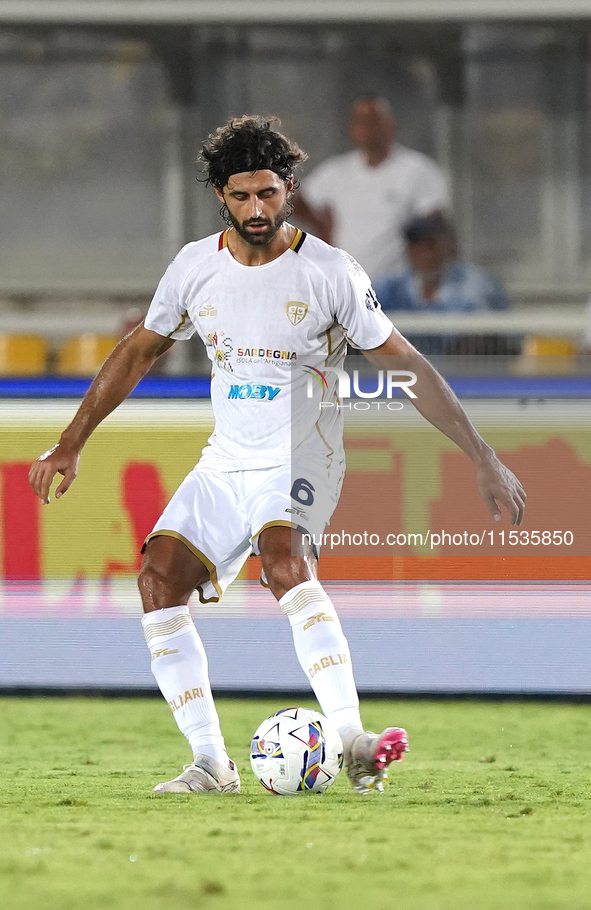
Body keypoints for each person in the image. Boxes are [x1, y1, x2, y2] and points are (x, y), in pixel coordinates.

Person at [29, 116, 526, 797]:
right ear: (220, 196)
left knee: (284, 564)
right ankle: (211, 762)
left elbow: (405, 365)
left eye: (268, 194)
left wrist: (481, 454)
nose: (256, 209)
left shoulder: (329, 272)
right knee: (157, 579)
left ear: (288, 189)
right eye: (242, 197)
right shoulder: (193, 268)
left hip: (302, 453)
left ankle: (350, 741)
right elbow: (138, 352)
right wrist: (70, 442)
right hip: (226, 456)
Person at [294, 94, 450, 280]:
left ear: (391, 125)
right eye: (361, 122)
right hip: (345, 282)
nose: (368, 129)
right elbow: (294, 198)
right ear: (351, 128)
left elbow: (434, 226)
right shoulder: (335, 172)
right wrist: (319, 225)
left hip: (397, 286)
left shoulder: (418, 170)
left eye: (375, 121)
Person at [374, 213, 512, 355]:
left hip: (467, 374)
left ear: (448, 246)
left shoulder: (478, 286)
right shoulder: (390, 288)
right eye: (417, 247)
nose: (425, 255)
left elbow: (498, 337)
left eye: (431, 246)